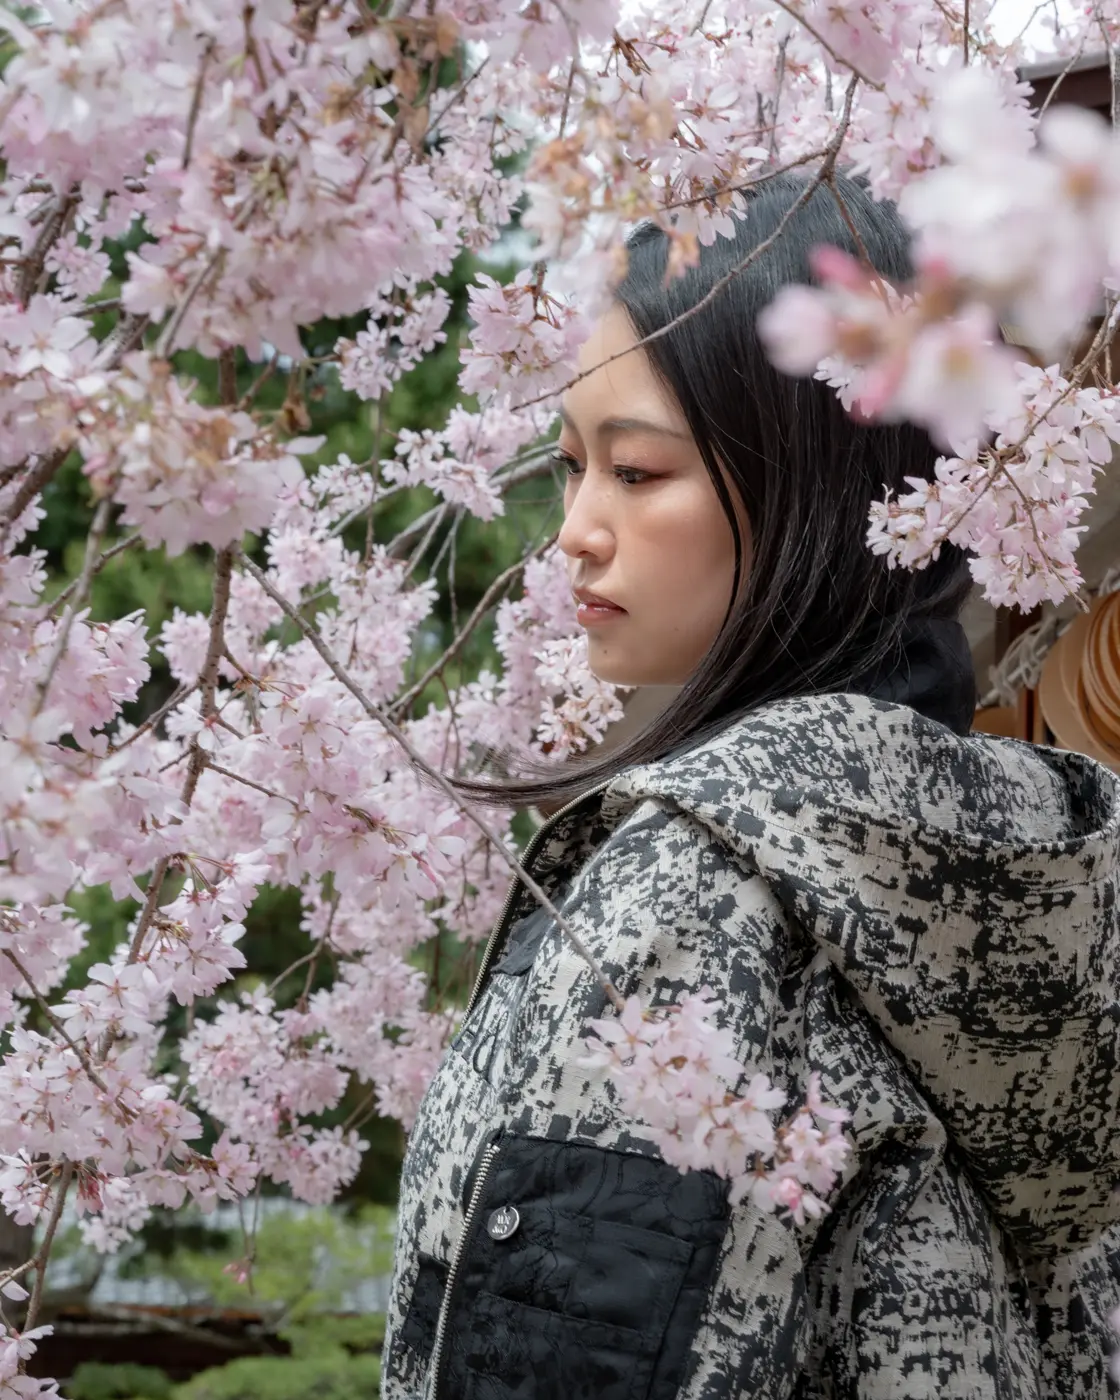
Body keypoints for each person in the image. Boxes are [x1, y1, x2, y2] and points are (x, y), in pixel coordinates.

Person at [381, 174, 1120, 1400]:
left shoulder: (692, 884)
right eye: (570, 468)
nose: (573, 528)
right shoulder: (1039, 877)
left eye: (635, 471)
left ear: (812, 484)